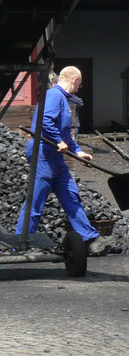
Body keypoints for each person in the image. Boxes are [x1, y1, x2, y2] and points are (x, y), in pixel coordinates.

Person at [15, 67, 113, 255]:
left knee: (71, 195)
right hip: (43, 152)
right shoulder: (54, 96)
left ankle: (90, 238)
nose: (79, 87)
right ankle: (20, 243)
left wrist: (77, 151)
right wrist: (57, 141)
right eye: (80, 84)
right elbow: (45, 120)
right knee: (36, 200)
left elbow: (65, 134)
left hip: (55, 156)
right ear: (75, 81)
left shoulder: (64, 101)